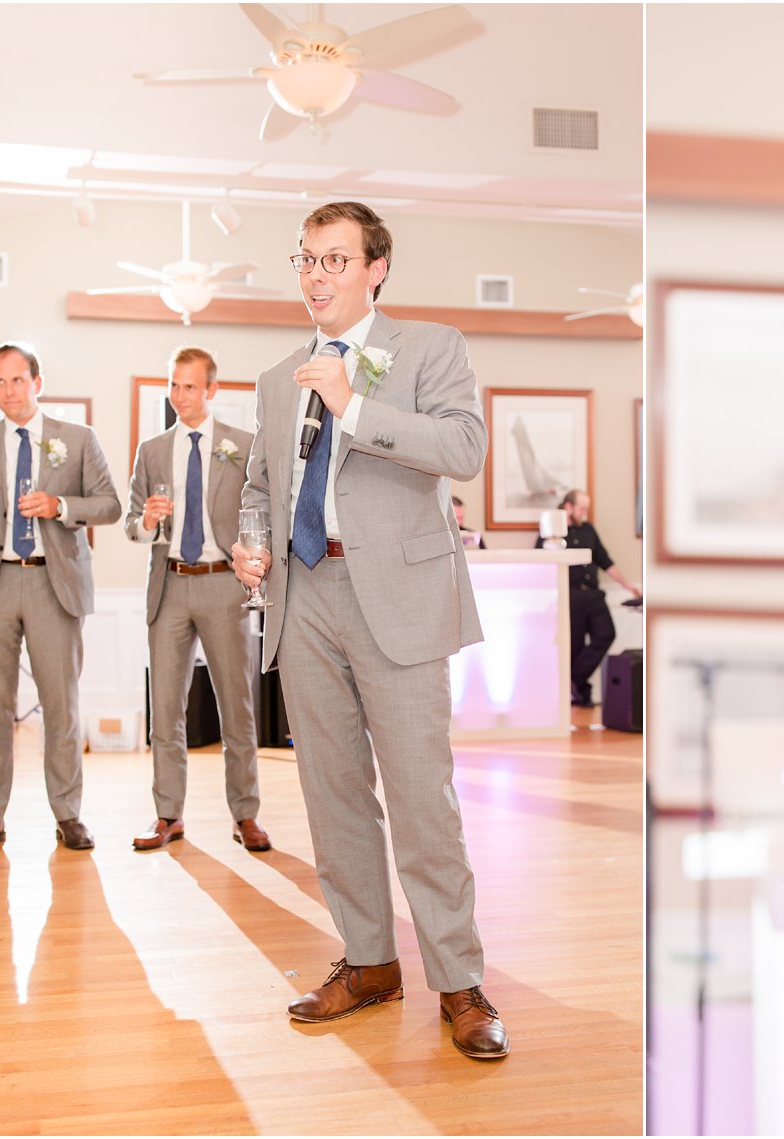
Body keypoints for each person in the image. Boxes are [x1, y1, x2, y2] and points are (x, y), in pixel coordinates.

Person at [231, 201, 506, 1059]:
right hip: (304, 595)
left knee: (424, 797)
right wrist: (253, 541)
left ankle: (459, 981)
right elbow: (261, 485)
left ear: (376, 267)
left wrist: (354, 405)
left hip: (400, 596)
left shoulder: (430, 348)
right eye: (306, 260)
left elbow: (464, 448)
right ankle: (369, 960)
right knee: (333, 792)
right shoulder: (279, 377)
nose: (316, 275)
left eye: (335, 260)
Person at [0, 341, 122, 855]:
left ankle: (69, 815)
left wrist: (60, 504)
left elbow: (109, 505)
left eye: (16, 380)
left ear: (37, 383)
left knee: (61, 707)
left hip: (53, 584)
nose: (7, 391)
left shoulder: (77, 439)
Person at [125, 346, 268, 854]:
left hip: (222, 586)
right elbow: (130, 524)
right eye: (174, 385)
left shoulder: (242, 445)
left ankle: (245, 815)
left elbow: (260, 515)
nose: (180, 395)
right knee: (165, 710)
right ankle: (168, 815)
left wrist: (254, 558)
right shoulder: (151, 450)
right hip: (168, 585)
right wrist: (145, 521)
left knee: (237, 706)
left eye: (190, 386)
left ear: (210, 390)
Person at [538, 489, 641, 707]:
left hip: (593, 594)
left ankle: (574, 680)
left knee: (606, 634)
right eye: (582, 508)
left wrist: (628, 586)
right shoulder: (551, 532)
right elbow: (541, 561)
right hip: (570, 596)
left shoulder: (588, 530)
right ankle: (580, 692)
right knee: (573, 646)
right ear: (568, 507)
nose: (585, 512)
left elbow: (604, 560)